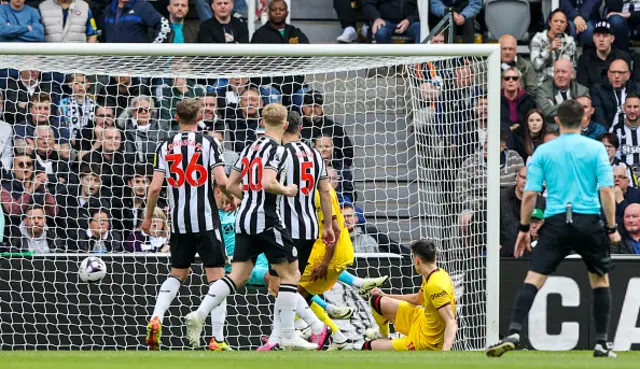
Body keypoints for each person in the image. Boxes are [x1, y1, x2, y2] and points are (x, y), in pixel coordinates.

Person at [182, 103, 335, 351]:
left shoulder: (251, 146)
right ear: (285, 125)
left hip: (245, 219)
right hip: (267, 219)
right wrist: (287, 190)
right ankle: (288, 334)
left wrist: (248, 196)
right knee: (291, 275)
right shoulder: (279, 150)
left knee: (237, 276)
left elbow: (230, 184)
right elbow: (268, 182)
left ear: (262, 122)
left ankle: (199, 313)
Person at [486, 100, 620, 358]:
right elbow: (606, 190)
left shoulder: (543, 152)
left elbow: (530, 194)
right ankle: (602, 343)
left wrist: (524, 229)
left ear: (556, 121)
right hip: (588, 220)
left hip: (556, 220)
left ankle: (513, 331)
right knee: (599, 279)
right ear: (583, 120)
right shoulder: (595, 149)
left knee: (534, 277)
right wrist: (612, 227)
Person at [142, 98, 235, 350]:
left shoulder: (164, 146)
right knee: (217, 278)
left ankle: (156, 317)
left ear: (176, 117)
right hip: (206, 220)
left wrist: (148, 217)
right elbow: (222, 181)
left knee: (177, 274)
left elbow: (154, 188)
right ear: (199, 116)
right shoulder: (209, 143)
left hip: (179, 222)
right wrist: (231, 198)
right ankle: (217, 338)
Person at [260, 110, 349, 351]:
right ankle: (277, 337)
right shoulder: (315, 154)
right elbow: (325, 193)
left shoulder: (278, 152)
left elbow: (267, 184)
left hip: (283, 228)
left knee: (279, 284)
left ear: (284, 126)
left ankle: (314, 329)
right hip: (309, 228)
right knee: (286, 284)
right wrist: (329, 227)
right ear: (300, 129)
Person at [361, 239, 457, 351]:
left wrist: (445, 352)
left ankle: (385, 342)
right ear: (435, 258)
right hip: (421, 319)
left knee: (367, 347)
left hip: (425, 341)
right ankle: (383, 335)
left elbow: (451, 321)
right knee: (377, 300)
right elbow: (418, 299)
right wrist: (385, 295)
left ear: (416, 260)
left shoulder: (435, 286)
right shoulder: (436, 273)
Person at [530, 9, 577, 84]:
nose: (558, 24)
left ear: (566, 25)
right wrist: (549, 49)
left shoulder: (570, 42)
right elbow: (536, 66)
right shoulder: (538, 39)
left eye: (562, 22)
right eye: (555, 21)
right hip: (543, 84)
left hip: (563, 85)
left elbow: (572, 69)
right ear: (550, 23)